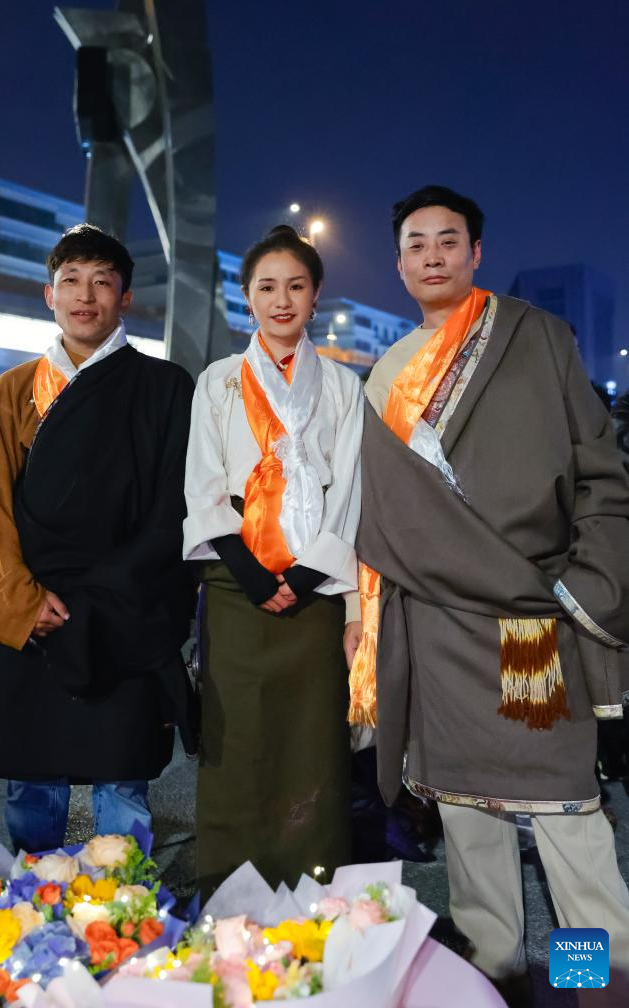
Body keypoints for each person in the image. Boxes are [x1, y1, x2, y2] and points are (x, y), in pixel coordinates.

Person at [345, 185, 629, 1003]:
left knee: (564, 814)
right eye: (416, 244)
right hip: (435, 624)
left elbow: (597, 468)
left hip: (526, 622)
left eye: (448, 241)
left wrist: (587, 581)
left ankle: (594, 981)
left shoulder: (534, 338)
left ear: (475, 253)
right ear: (399, 264)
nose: (432, 255)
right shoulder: (389, 370)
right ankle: (492, 971)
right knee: (467, 813)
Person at [0, 223, 195, 854]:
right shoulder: (16, 388)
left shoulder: (166, 386)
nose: (85, 295)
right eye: (71, 281)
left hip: (126, 610)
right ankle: (33, 921)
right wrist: (20, 599)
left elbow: (176, 509)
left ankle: (133, 927)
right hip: (35, 610)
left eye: (102, 282)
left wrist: (106, 596)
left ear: (125, 298)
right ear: (49, 294)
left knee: (123, 785)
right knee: (34, 788)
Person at [184, 224, 363, 895]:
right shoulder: (219, 381)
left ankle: (314, 895)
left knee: (312, 747)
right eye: (267, 287)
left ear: (316, 296)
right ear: (247, 299)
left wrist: (304, 576)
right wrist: (257, 577)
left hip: (314, 591)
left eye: (296, 285)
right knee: (234, 747)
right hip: (236, 587)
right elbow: (203, 484)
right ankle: (228, 893)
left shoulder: (344, 386)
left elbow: (349, 490)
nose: (282, 299)